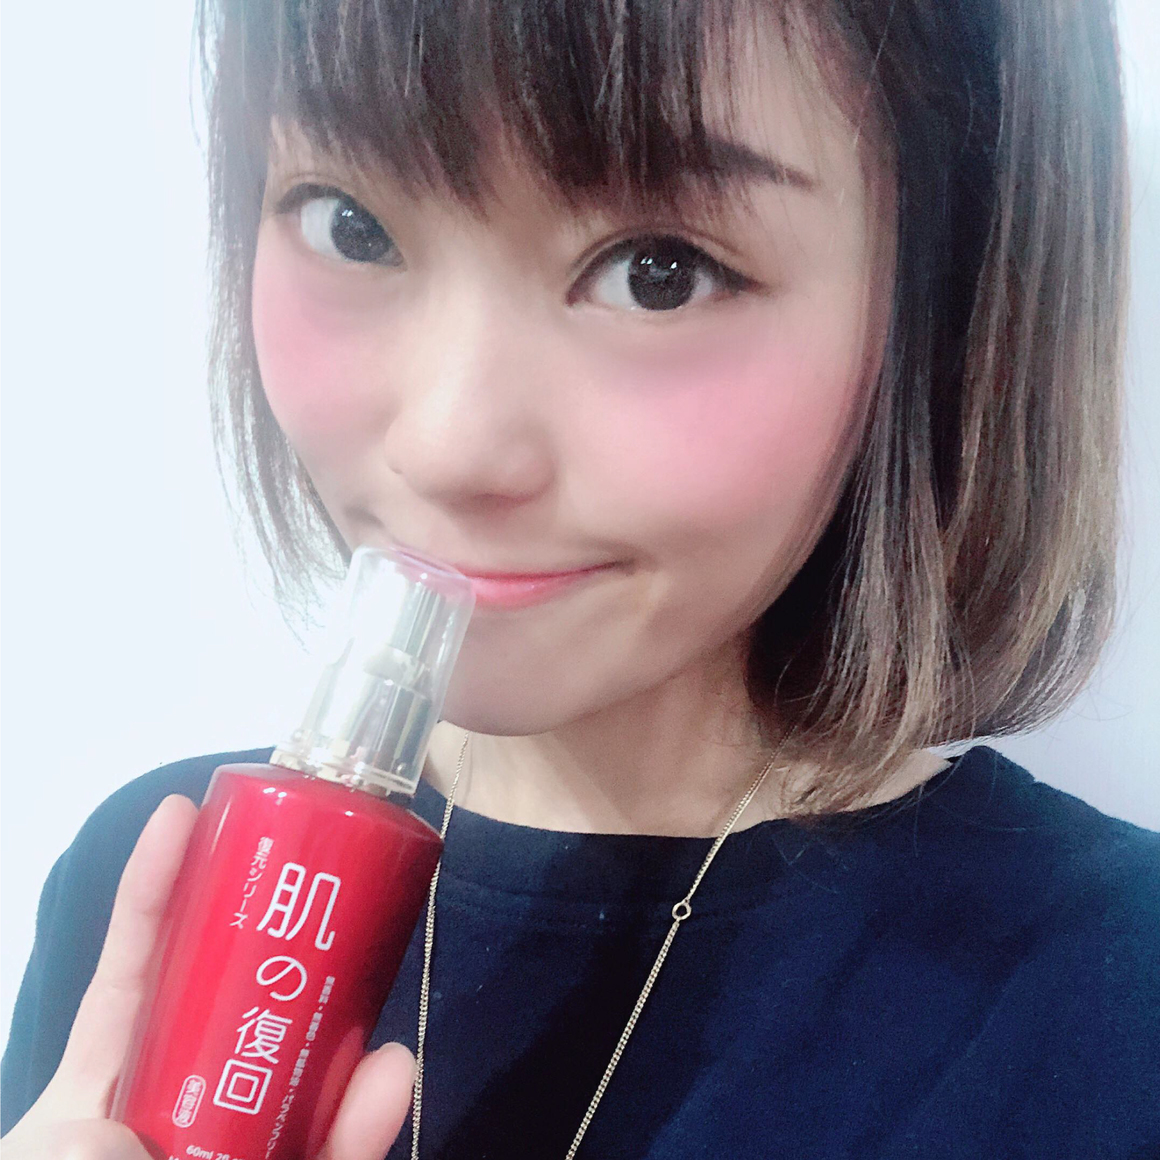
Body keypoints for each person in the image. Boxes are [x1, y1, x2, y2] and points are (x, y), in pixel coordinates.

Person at [2, 0, 1157, 1156]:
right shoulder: (161, 889)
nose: (446, 446)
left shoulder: (1109, 997)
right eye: (350, 224)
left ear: (945, 313)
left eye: (659, 273)